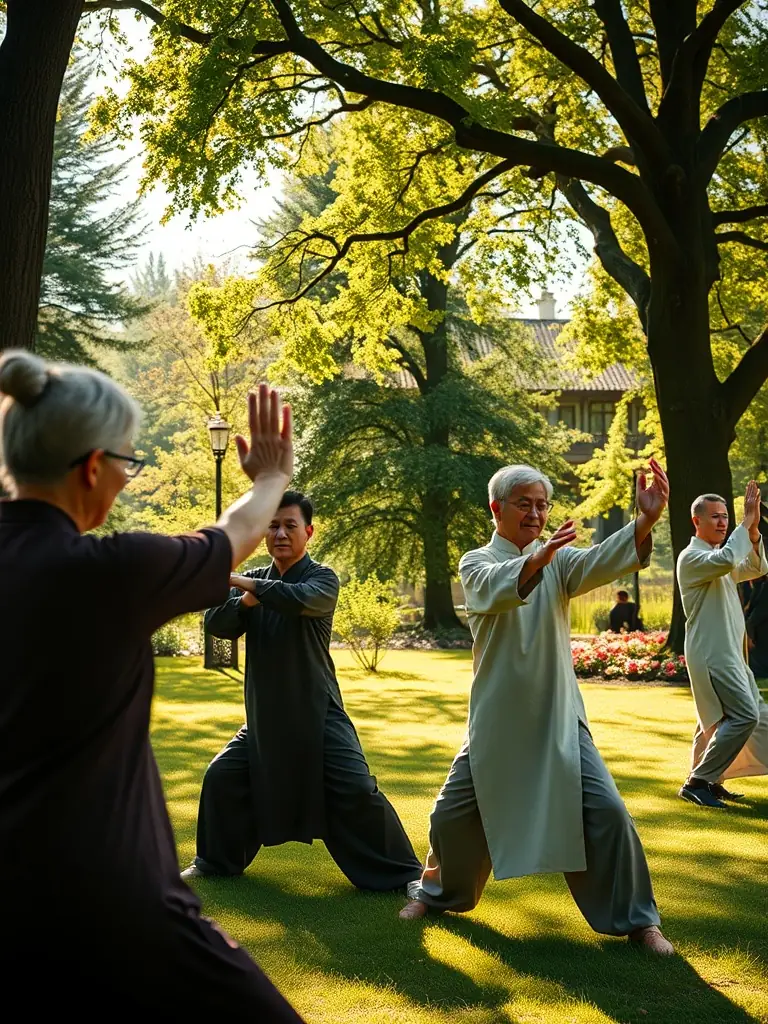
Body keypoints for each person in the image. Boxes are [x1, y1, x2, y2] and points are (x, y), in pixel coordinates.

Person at [0, 351, 304, 1017]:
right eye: (127, 464)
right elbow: (237, 533)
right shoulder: (110, 572)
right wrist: (274, 475)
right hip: (113, 902)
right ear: (90, 467)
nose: (127, 481)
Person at [400, 460, 674, 955]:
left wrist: (646, 521)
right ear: (496, 508)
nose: (535, 513)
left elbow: (602, 560)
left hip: (559, 719)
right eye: (524, 504)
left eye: (542, 505)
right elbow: (495, 589)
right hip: (497, 721)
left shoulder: (561, 563)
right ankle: (437, 893)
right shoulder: (475, 562)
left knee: (608, 814)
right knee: (449, 817)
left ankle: (638, 921)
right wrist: (536, 559)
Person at [182, 490, 422, 893]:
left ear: (307, 532)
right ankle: (215, 862)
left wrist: (246, 586)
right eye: (272, 526)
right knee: (222, 776)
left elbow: (301, 600)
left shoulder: (322, 578)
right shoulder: (256, 582)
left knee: (357, 788)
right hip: (265, 718)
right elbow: (217, 624)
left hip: (318, 712)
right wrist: (244, 600)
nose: (280, 533)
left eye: (290, 525)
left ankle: (406, 875)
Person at [677, 484, 768, 808]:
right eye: (715, 517)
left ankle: (711, 779)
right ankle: (699, 781)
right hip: (712, 653)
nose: (722, 522)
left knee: (717, 721)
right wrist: (747, 522)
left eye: (726, 517)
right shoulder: (692, 557)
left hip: (728, 653)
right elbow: (731, 556)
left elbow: (757, 567)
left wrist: (753, 532)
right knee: (744, 716)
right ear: (696, 521)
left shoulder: (718, 559)